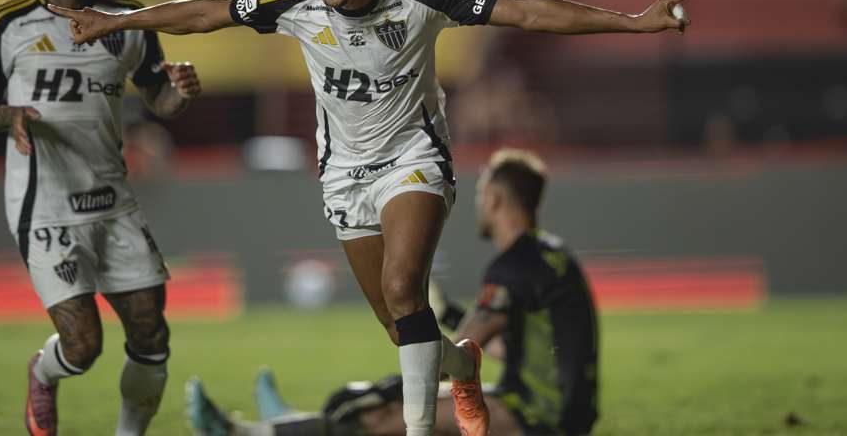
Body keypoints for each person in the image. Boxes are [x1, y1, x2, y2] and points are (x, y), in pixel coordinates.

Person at [51, 0, 694, 436]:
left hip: (413, 161)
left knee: (400, 289)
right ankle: (462, 367)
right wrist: (118, 21)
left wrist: (634, 23)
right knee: (401, 326)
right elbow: (207, 11)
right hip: (343, 175)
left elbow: (524, 9)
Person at [0, 0, 203, 436]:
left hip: (114, 200)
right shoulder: (6, 24)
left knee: (150, 334)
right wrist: (9, 115)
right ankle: (43, 373)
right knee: (83, 346)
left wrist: (180, 95)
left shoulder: (129, 19)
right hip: (43, 203)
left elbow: (159, 98)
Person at [185, 148, 599, 436]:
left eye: (480, 196)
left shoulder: (513, 266)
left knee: (378, 416)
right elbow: (506, 348)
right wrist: (445, 315)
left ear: (494, 200)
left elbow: (447, 361)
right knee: (393, 405)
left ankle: (247, 431)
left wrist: (384, 383)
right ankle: (285, 424)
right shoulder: (552, 256)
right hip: (563, 409)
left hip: (539, 418)